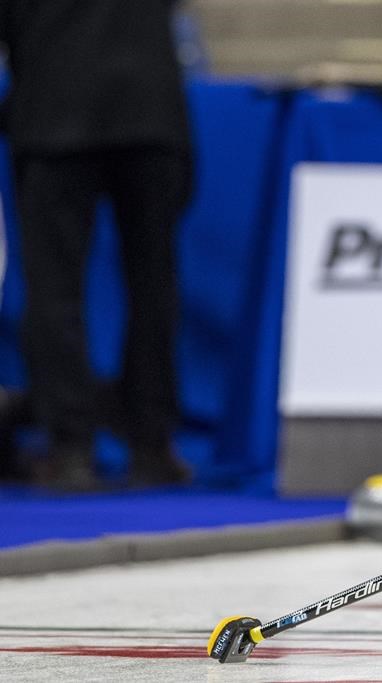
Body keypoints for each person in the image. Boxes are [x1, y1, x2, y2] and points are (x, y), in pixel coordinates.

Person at [0, 0, 194, 490]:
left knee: (54, 290)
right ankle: (152, 445)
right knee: (154, 285)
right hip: (151, 115)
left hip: (54, 117)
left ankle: (71, 449)